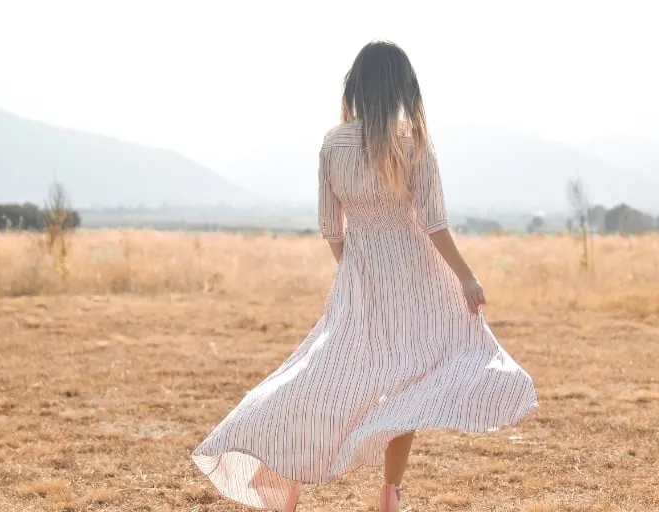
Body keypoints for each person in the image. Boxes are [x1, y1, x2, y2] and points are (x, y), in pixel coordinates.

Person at [191, 40, 538, 512]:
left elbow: (331, 229)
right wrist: (467, 277)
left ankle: (289, 469)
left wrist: (356, 276)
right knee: (413, 380)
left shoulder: (333, 145)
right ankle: (389, 493)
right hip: (419, 280)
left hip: (360, 278)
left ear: (356, 86)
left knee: (324, 373)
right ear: (400, 88)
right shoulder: (413, 143)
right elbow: (434, 224)